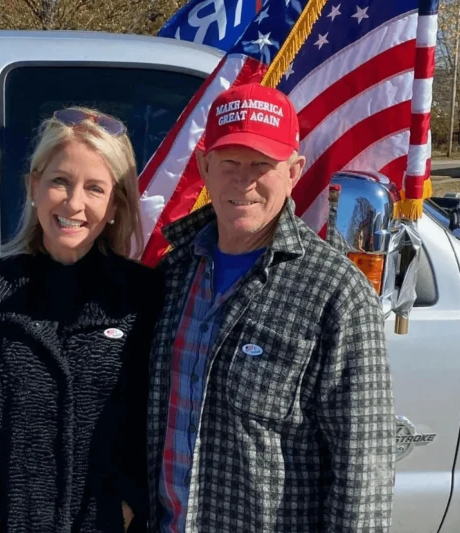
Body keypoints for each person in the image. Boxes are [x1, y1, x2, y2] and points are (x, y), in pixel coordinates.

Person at [146, 83, 396, 533]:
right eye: (230, 163)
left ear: (294, 171)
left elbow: (364, 472)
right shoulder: (172, 274)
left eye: (262, 164)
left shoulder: (336, 293)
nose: (244, 181)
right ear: (204, 165)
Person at [0, 107, 161, 533]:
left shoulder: (147, 298)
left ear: (116, 205)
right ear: (34, 186)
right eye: (60, 181)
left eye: (95, 188)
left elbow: (168, 427)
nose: (74, 202)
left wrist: (127, 505)